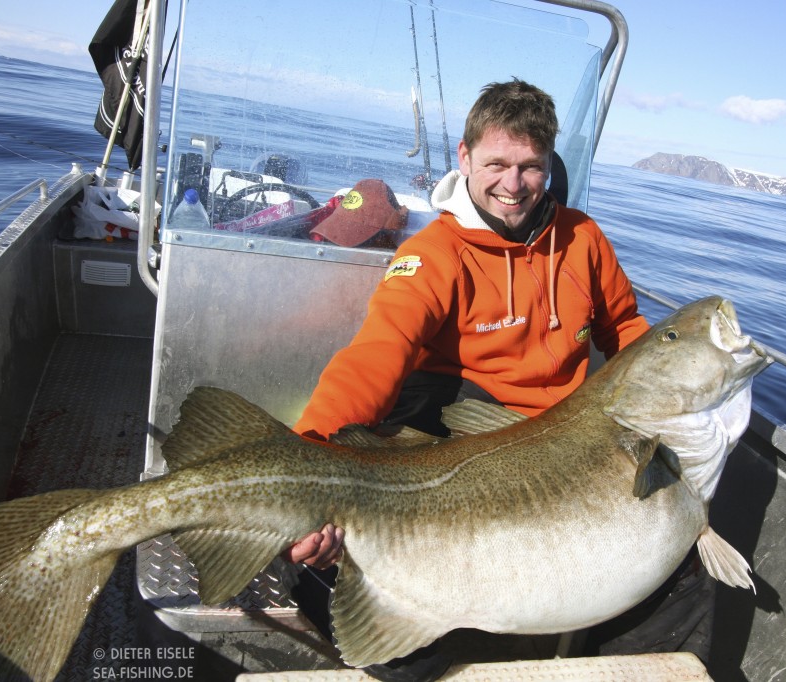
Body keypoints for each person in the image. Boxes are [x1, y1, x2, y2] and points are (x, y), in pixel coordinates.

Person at [283, 78, 713, 670]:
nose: (513, 186)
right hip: (462, 433)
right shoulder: (434, 254)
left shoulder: (583, 239)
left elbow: (628, 331)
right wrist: (309, 455)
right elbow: (377, 353)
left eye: (531, 167)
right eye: (496, 164)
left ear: (549, 164)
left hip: (568, 446)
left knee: (680, 567)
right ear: (464, 158)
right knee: (357, 572)